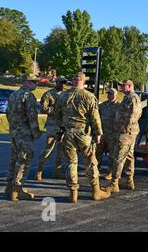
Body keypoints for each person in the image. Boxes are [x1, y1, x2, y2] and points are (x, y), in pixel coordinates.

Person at [55, 72, 111, 203]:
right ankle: (96, 191)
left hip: (68, 133)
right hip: (84, 134)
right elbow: (95, 117)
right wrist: (98, 133)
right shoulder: (89, 96)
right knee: (91, 162)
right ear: (84, 82)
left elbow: (57, 114)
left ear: (73, 81)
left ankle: (73, 193)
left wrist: (62, 128)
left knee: (71, 163)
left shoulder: (63, 95)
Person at [5, 74, 41, 201]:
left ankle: (9, 187)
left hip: (14, 132)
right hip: (24, 133)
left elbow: (7, 113)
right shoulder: (28, 96)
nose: (36, 84)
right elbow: (32, 116)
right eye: (34, 82)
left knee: (14, 159)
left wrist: (13, 127)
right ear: (26, 82)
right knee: (24, 159)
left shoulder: (13, 94)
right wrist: (36, 133)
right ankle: (17, 190)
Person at [104, 80, 142, 193]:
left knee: (118, 157)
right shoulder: (128, 97)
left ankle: (114, 183)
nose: (121, 87)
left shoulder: (132, 98)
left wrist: (124, 127)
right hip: (128, 131)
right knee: (129, 156)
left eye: (123, 85)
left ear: (130, 86)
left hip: (126, 132)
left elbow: (134, 115)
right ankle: (129, 181)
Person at [36, 76, 67, 181]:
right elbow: (43, 109)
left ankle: (58, 172)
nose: (62, 85)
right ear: (56, 83)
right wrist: (57, 110)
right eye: (60, 83)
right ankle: (39, 171)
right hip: (52, 126)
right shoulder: (48, 94)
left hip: (63, 126)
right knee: (48, 149)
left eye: (64, 83)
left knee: (61, 150)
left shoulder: (65, 94)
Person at [96, 88, 120, 181]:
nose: (110, 95)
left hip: (113, 134)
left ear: (116, 95)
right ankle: (96, 171)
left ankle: (110, 172)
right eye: (109, 94)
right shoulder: (102, 105)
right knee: (98, 152)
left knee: (112, 154)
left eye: (111, 94)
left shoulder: (119, 106)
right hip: (102, 133)